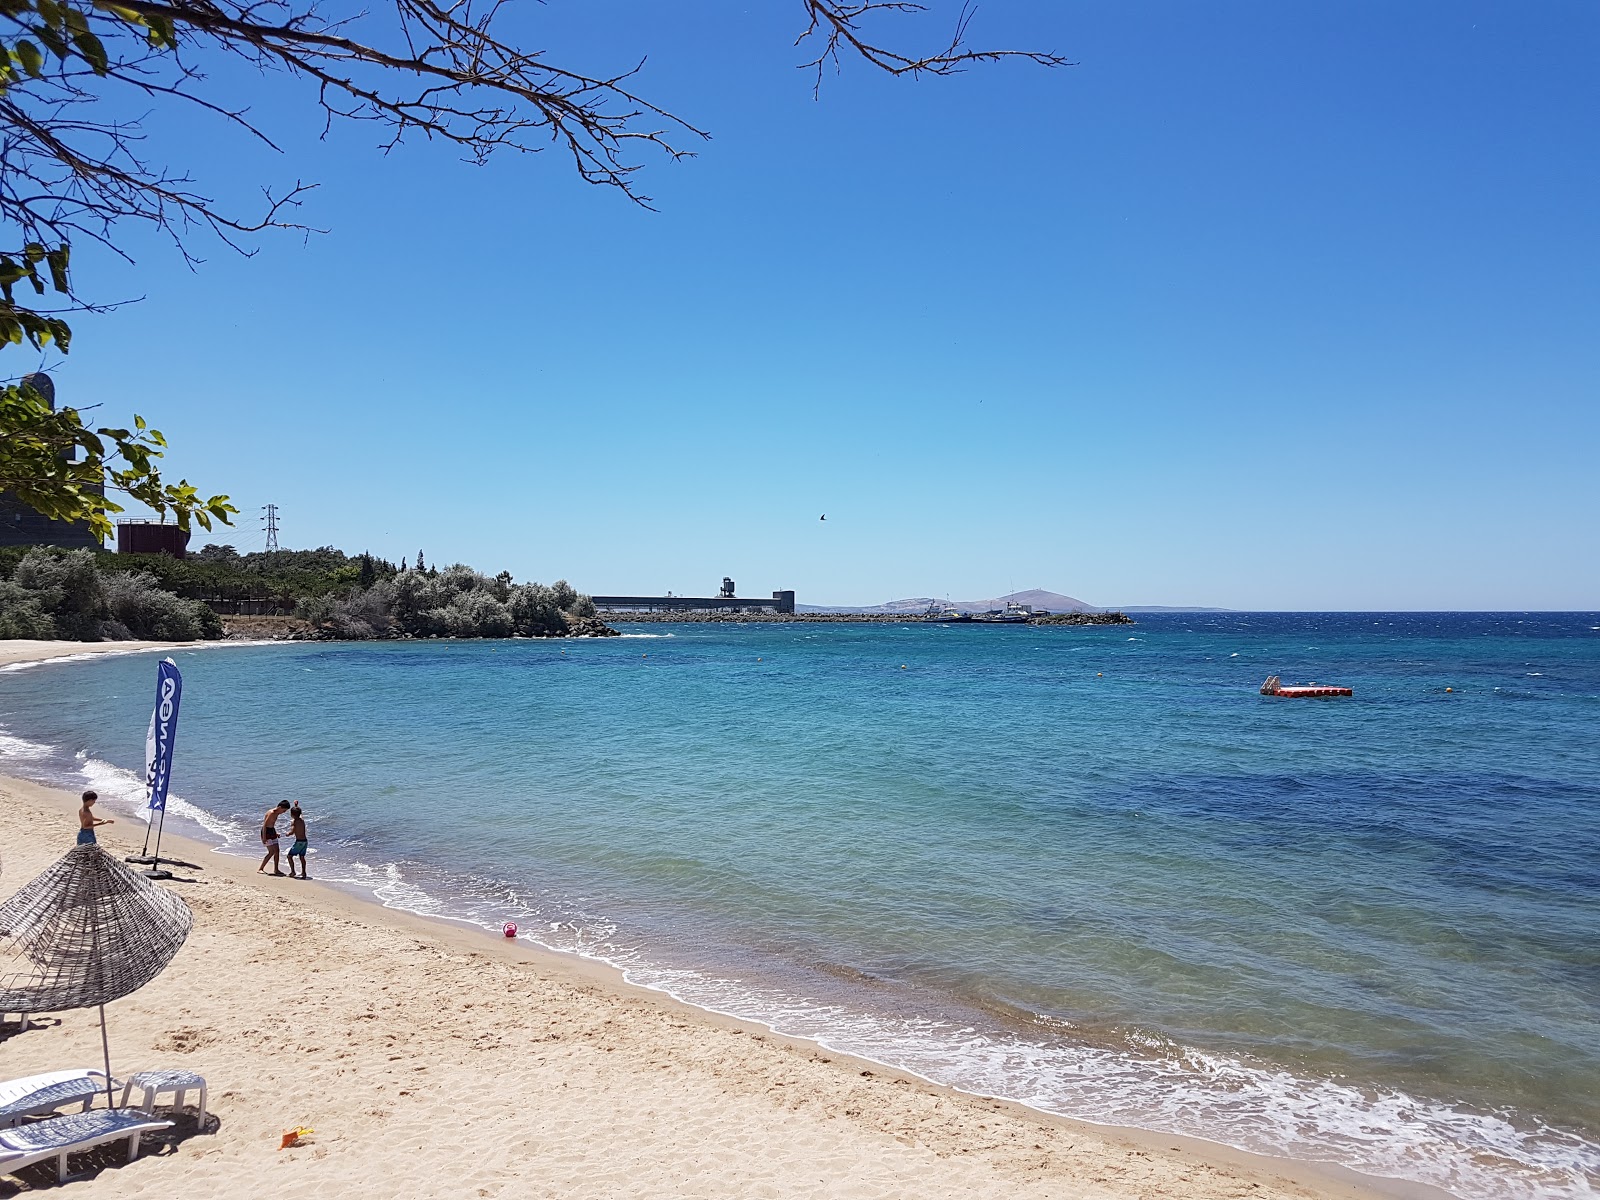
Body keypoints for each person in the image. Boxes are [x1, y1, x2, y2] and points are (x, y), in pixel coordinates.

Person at [259, 800, 290, 875]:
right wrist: (264, 837)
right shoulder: (271, 813)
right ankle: (261, 868)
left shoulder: (277, 813)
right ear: (280, 807)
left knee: (277, 851)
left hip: (272, 831)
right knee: (271, 852)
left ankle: (276, 869)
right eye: (284, 810)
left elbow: (271, 824)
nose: (284, 812)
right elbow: (265, 825)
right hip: (266, 832)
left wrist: (275, 833)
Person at [286, 805, 310, 880]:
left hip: (299, 842)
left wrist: (288, 834)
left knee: (289, 856)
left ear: (291, 815)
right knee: (302, 857)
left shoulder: (294, 822)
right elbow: (301, 815)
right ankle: (304, 873)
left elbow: (292, 832)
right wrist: (296, 805)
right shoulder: (302, 820)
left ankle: (293, 872)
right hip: (305, 842)